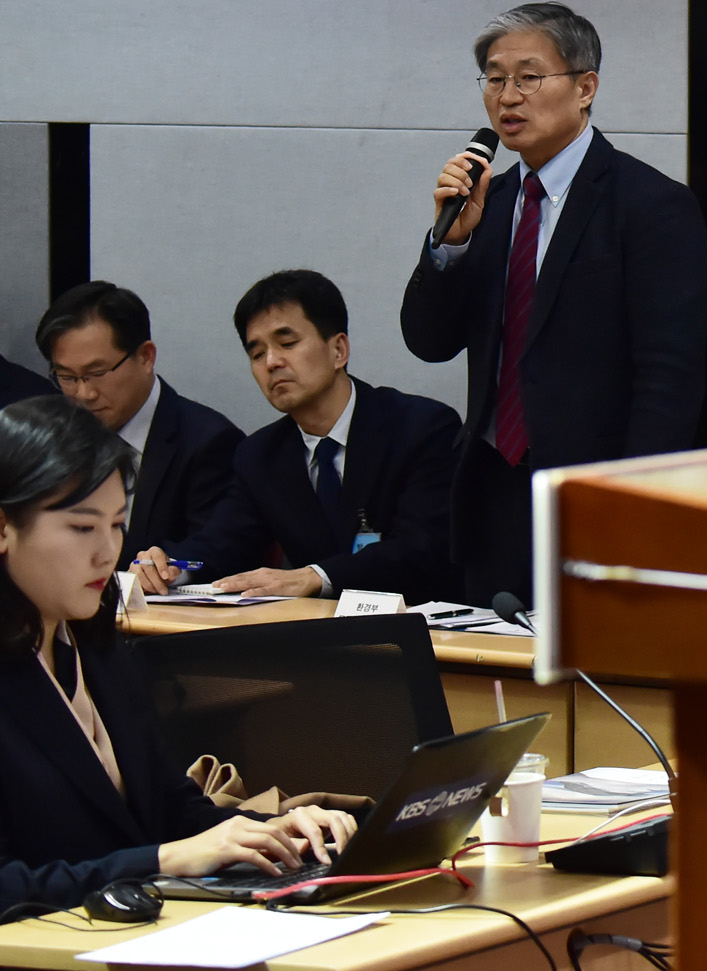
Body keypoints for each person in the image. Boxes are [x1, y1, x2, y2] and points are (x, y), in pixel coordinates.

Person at [402, 3, 707, 607]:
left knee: (591, 690)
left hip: (594, 500)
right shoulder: (487, 203)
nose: (508, 97)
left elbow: (668, 380)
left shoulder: (650, 205)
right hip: (492, 496)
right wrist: (451, 245)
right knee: (493, 689)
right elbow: (428, 341)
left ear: (585, 87)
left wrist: (628, 513)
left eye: (529, 77)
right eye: (494, 79)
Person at [0, 396, 352, 914]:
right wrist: (161, 861)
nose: (107, 551)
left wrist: (265, 831)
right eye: (82, 527)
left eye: (118, 523)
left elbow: (171, 811)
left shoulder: (96, 645)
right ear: (4, 528)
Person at [134, 271, 460, 602]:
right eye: (257, 353)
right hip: (318, 638)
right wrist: (170, 566)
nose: (272, 362)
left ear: (338, 350)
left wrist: (315, 576)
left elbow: (420, 549)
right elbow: (223, 542)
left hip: (428, 630)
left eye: (287, 343)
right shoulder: (260, 455)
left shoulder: (422, 427)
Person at [33, 283, 241, 568]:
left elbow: (217, 551)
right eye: (66, 377)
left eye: (97, 373)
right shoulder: (51, 439)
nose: (84, 394)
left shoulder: (209, 442)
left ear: (145, 356)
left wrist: (163, 567)